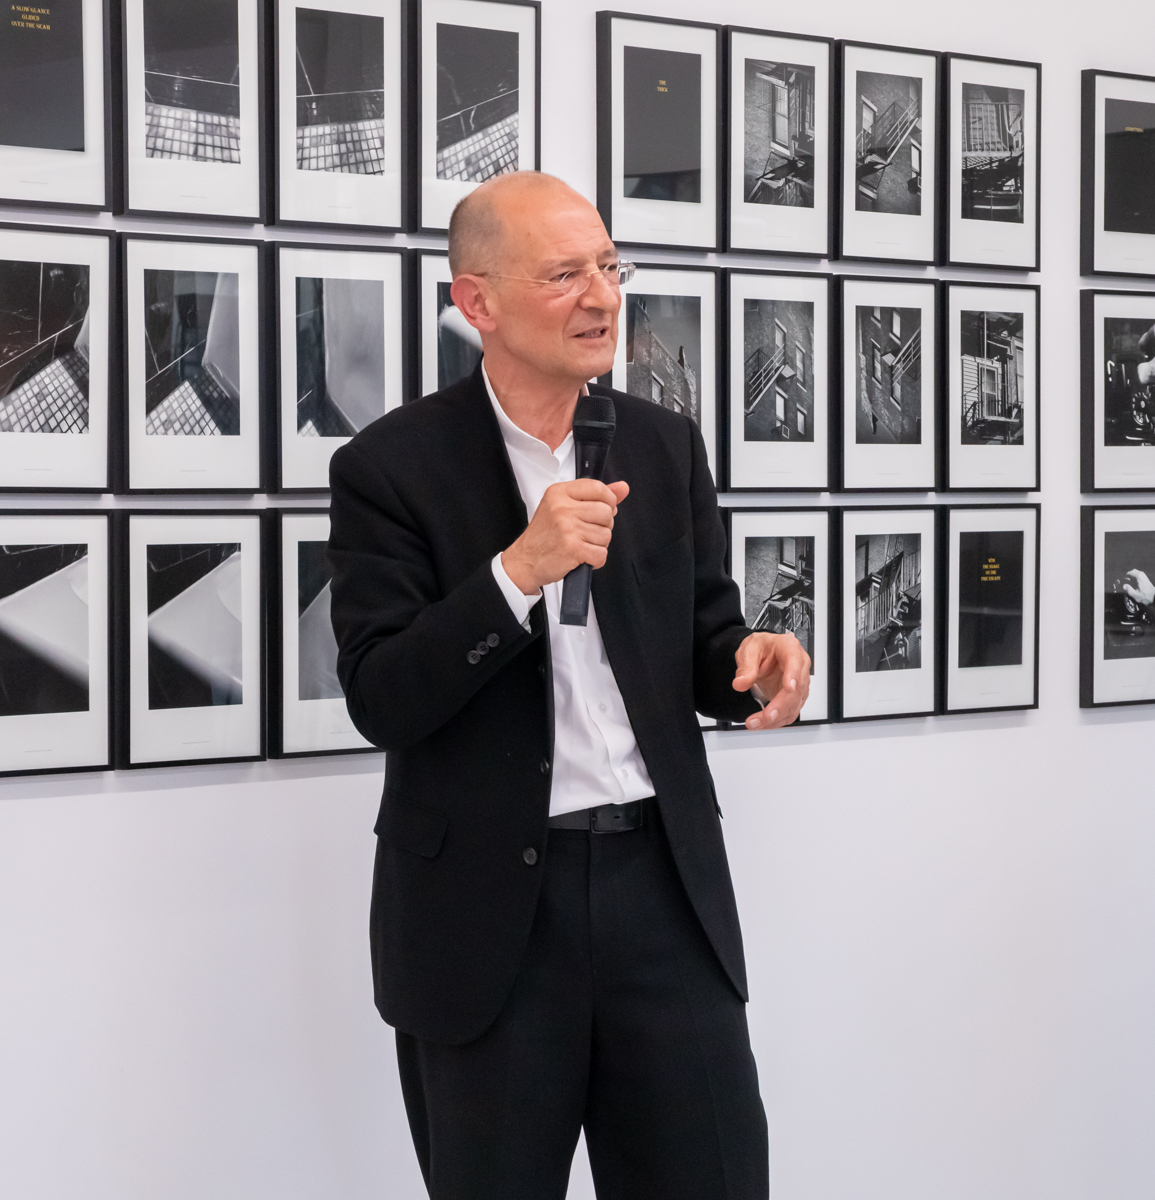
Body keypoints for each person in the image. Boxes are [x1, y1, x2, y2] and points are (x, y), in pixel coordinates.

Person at [326, 171, 810, 1199]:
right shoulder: (390, 468)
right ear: (478, 302)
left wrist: (752, 662)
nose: (601, 297)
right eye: (564, 275)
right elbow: (381, 695)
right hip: (488, 918)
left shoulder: (661, 445)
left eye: (609, 267)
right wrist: (516, 573)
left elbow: (704, 640)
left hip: (662, 892)